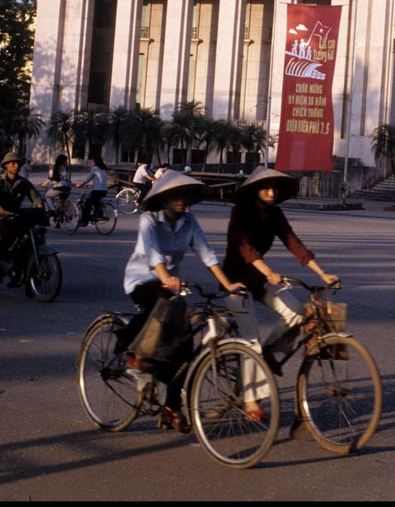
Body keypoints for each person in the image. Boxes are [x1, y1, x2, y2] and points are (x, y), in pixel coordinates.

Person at [116, 171, 245, 432]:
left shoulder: (189, 222)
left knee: (184, 344)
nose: (181, 200)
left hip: (170, 286)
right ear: (163, 197)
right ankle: (131, 351)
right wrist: (165, 277)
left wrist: (228, 284)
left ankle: (171, 409)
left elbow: (207, 254)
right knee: (158, 301)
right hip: (142, 279)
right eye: (175, 195)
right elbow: (153, 253)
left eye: (184, 195)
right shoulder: (149, 220)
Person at [224, 167, 338, 375]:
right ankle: (253, 387)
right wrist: (269, 272)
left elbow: (293, 243)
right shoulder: (240, 212)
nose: (271, 193)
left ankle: (268, 351)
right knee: (251, 341)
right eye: (266, 189)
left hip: (258, 278)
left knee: (296, 312)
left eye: (274, 189)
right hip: (234, 280)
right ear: (255, 190)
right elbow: (245, 249)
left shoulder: (275, 214)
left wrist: (322, 273)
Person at [0, 150, 47, 283]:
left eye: (18, 163)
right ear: (6, 165)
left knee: (29, 234)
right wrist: (3, 211)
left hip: (15, 216)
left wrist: (42, 209)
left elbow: (35, 197)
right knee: (9, 234)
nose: (16, 166)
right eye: (12, 163)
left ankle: (18, 265)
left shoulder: (23, 182)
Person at [76, 155, 109, 226]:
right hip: (104, 190)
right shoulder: (103, 169)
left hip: (97, 190)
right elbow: (100, 180)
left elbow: (88, 178)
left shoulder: (95, 168)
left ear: (95, 162)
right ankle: (98, 214)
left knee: (87, 203)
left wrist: (80, 185)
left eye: (93, 162)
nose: (92, 163)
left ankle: (84, 221)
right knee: (95, 201)